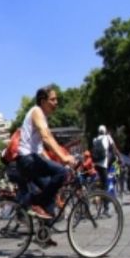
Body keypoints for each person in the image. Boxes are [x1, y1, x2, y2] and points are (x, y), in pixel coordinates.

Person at [15, 86, 76, 226]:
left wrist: (55, 161)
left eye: (56, 99)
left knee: (50, 191)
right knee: (62, 172)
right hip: (27, 160)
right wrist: (63, 158)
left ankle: (43, 234)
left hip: (31, 159)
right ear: (43, 101)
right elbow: (47, 137)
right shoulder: (37, 111)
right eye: (53, 99)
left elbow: (42, 147)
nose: (56, 102)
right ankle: (28, 204)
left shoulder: (42, 117)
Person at [91, 125, 120, 192]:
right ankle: (105, 201)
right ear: (105, 131)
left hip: (96, 163)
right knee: (105, 183)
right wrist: (120, 158)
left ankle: (96, 192)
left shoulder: (95, 139)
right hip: (103, 164)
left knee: (101, 180)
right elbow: (114, 148)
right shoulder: (107, 137)